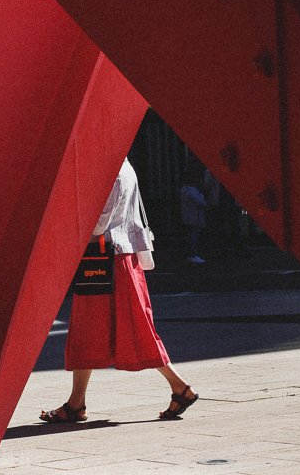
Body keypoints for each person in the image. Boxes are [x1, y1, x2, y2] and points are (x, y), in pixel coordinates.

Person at [40, 158, 198, 423]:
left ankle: (179, 387)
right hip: (120, 258)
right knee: (100, 329)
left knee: (123, 328)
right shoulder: (125, 167)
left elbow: (100, 224)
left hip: (108, 259)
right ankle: (77, 402)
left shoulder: (111, 169)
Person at [179, 162, 207, 264]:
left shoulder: (184, 190)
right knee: (193, 236)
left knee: (190, 236)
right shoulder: (191, 190)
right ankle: (193, 254)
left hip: (188, 216)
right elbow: (200, 202)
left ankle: (191, 254)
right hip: (194, 217)